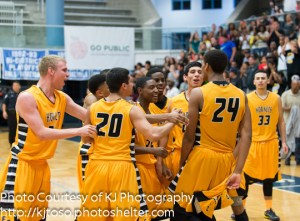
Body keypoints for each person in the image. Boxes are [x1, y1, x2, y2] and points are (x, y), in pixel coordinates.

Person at [0, 55, 97, 221]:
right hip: (23, 165)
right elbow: (42, 133)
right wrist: (80, 130)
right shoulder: (27, 97)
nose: (68, 74)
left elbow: (89, 116)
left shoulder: (62, 98)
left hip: (42, 165)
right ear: (51, 71)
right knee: (16, 217)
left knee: (39, 217)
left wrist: (111, 107)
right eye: (64, 70)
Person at [77, 68, 180, 221]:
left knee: (95, 214)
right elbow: (154, 134)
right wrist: (172, 121)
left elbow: (86, 140)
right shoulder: (130, 109)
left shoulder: (93, 108)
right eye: (131, 81)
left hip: (97, 165)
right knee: (125, 215)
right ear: (124, 86)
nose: (133, 84)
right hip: (121, 167)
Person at [169, 50, 252, 221]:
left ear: (206, 66)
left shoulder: (199, 93)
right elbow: (247, 136)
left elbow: (190, 137)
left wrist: (182, 163)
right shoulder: (241, 95)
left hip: (202, 157)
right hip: (226, 160)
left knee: (182, 207)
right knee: (206, 206)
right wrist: (238, 170)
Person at [243, 70, 289, 221]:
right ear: (254, 82)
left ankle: (268, 209)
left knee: (269, 179)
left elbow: (281, 121)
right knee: (245, 178)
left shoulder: (276, 98)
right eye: (258, 78)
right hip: (252, 144)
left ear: (267, 81)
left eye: (263, 78)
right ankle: (240, 210)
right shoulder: (247, 98)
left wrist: (284, 141)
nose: (261, 80)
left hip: (270, 143)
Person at [134, 76, 169, 220]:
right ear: (140, 91)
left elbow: (158, 140)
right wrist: (152, 151)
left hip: (151, 167)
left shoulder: (153, 114)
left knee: (157, 211)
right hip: (137, 168)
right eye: (151, 87)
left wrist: (161, 161)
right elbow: (126, 146)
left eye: (157, 87)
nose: (156, 90)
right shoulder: (132, 110)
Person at [165, 61, 203, 177]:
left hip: (201, 154)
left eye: (200, 72)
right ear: (185, 77)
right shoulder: (174, 101)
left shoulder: (211, 100)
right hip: (179, 152)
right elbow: (166, 132)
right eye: (192, 72)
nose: (196, 74)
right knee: (177, 194)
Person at [77, 71, 110, 192]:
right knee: (89, 190)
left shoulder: (107, 99)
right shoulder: (92, 99)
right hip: (88, 146)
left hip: (99, 147)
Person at [281, 75, 300, 165]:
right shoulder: (285, 94)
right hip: (287, 121)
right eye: (294, 84)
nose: (295, 86)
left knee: (298, 141)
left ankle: (298, 158)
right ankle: (287, 158)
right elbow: (281, 106)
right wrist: (287, 108)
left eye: (297, 85)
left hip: (298, 123)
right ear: (291, 84)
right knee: (287, 140)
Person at [2, 81, 21, 146]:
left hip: (20, 114)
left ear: (19, 86)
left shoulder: (21, 94)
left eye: (16, 85)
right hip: (11, 113)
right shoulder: (9, 94)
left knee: (19, 128)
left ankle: (18, 142)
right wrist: (4, 112)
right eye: (14, 85)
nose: (15, 87)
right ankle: (12, 143)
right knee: (12, 129)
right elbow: (4, 103)